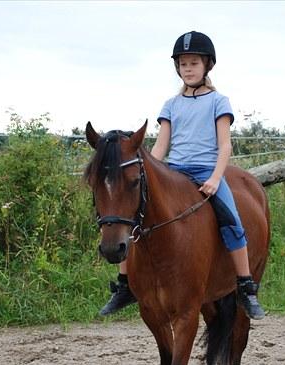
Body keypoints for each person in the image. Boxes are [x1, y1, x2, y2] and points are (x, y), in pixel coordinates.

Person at [99, 30, 265, 320]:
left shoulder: (218, 102)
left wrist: (215, 178)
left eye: (194, 63)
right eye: (184, 64)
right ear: (178, 68)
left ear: (207, 66)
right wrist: (150, 168)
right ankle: (125, 286)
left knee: (232, 221)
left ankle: (245, 286)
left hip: (205, 171)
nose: (188, 69)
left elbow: (225, 145)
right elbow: (160, 146)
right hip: (174, 171)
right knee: (135, 216)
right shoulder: (171, 105)